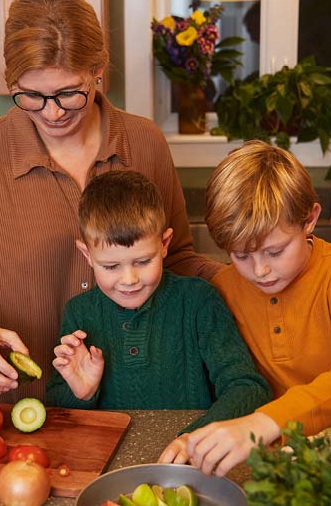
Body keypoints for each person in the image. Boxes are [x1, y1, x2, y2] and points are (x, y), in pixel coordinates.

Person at [0, 0, 221, 401]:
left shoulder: (145, 143)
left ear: (99, 70)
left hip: (144, 405)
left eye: (69, 93)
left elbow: (179, 258)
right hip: (31, 411)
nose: (53, 112)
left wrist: (250, 280)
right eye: (32, 96)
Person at [164, 141, 331, 476]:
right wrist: (197, 436)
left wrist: (264, 422)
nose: (260, 271)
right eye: (241, 255)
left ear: (310, 219)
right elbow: (232, 385)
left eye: (275, 251)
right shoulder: (222, 289)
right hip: (263, 459)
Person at [45, 170, 272, 454]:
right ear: (87, 255)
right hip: (103, 465)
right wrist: (83, 393)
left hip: (191, 460)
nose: (129, 279)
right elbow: (55, 406)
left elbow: (248, 387)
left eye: (142, 261)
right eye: (111, 266)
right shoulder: (79, 312)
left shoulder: (198, 301)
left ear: (164, 244)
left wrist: (194, 438)